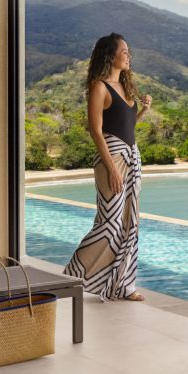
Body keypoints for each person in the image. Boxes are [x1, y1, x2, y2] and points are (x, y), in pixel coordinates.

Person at [63, 33, 152, 301]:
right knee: (109, 223)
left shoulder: (125, 87)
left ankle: (124, 286)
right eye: (124, 51)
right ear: (110, 55)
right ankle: (72, 277)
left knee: (130, 223)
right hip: (111, 160)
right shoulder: (99, 87)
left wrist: (143, 111)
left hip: (131, 158)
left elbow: (126, 126)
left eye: (128, 51)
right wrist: (112, 168)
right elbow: (96, 131)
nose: (128, 55)